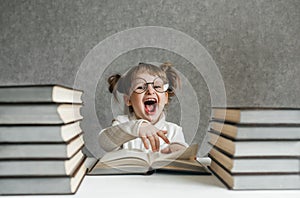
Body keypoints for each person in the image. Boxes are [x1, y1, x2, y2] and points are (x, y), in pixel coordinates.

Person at [98, 62, 188, 154]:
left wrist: (179, 149)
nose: (150, 90)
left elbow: (184, 156)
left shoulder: (174, 131)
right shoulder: (122, 123)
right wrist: (137, 127)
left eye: (157, 86)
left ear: (165, 97)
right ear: (128, 99)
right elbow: (104, 141)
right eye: (140, 87)